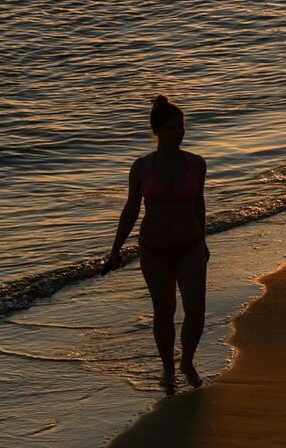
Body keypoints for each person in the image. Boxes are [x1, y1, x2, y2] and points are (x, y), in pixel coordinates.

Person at [103, 95, 209, 390]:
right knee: (164, 312)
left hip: (190, 246)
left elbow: (199, 205)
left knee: (196, 311)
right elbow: (131, 209)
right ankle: (167, 370)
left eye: (182, 127)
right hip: (154, 250)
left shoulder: (197, 164)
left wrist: (203, 240)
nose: (180, 132)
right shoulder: (141, 168)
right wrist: (115, 249)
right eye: (173, 128)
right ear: (157, 132)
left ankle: (186, 361)